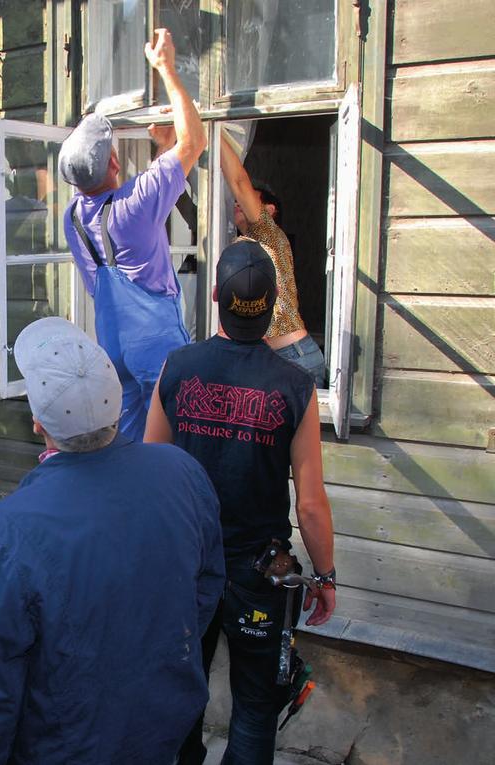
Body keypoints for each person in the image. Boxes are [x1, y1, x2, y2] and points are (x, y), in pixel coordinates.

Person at [0, 317, 225, 765]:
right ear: (118, 403)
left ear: (37, 422)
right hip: (165, 727)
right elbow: (205, 588)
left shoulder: (11, 527)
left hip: (65, 745)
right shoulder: (180, 472)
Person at [145, 240, 337, 765]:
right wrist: (325, 577)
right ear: (274, 305)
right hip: (261, 574)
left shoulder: (178, 368)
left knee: (181, 702)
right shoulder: (296, 388)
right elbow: (312, 505)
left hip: (187, 568)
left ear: (214, 297)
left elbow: (150, 471)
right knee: (254, 713)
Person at [57, 28, 206, 441]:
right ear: (115, 163)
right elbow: (196, 141)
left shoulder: (73, 218)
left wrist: (165, 149)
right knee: (178, 440)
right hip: (156, 344)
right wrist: (167, 69)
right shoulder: (136, 202)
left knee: (129, 441)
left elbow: (118, 242)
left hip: (114, 347)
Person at [220, 132, 327, 387]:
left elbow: (238, 181)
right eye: (235, 201)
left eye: (246, 198)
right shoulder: (244, 244)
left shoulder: (269, 234)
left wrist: (214, 134)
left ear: (269, 210)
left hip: (294, 357)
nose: (237, 202)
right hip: (276, 357)